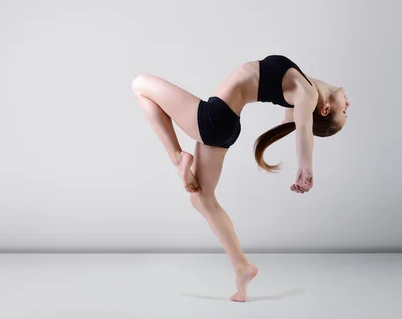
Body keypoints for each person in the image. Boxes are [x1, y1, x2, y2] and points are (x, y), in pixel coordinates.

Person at [131, 54, 350, 302]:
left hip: (215, 117)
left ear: (324, 109)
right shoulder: (306, 87)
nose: (349, 104)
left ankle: (178, 157)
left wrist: (305, 166)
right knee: (201, 199)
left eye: (344, 111)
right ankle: (242, 267)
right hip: (224, 124)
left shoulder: (306, 96)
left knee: (140, 85)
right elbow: (296, 120)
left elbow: (302, 128)